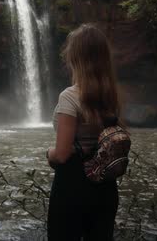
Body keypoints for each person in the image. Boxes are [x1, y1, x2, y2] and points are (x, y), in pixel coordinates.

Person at [46, 24, 121, 240]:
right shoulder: (111, 96)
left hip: (72, 187)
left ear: (75, 57)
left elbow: (62, 154)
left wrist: (48, 153)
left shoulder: (69, 97)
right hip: (105, 186)